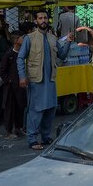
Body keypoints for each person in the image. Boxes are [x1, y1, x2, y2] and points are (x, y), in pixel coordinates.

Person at [17, 9, 71, 150]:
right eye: (40, 18)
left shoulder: (53, 38)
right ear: (36, 21)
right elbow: (20, 58)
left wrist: (69, 42)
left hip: (51, 80)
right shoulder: (29, 38)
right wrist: (22, 76)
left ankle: (46, 137)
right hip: (36, 80)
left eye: (45, 18)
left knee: (50, 109)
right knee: (36, 110)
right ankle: (32, 139)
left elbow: (63, 55)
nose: (43, 21)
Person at [0, 29, 29, 139]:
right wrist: (9, 80)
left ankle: (19, 128)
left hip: (20, 86)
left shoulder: (23, 53)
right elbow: (2, 70)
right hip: (11, 87)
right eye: (22, 38)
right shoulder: (9, 54)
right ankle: (9, 131)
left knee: (20, 107)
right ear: (16, 40)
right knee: (9, 109)